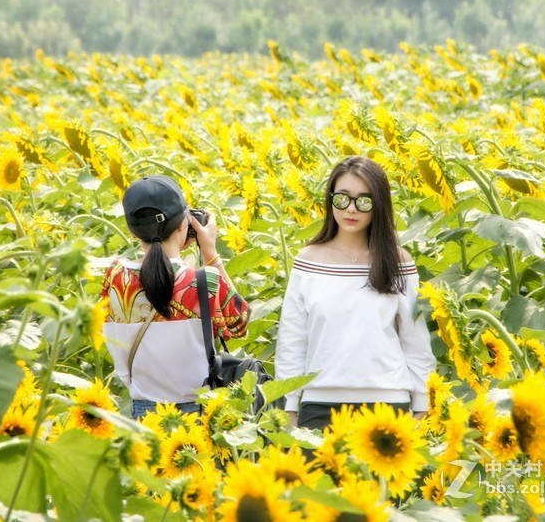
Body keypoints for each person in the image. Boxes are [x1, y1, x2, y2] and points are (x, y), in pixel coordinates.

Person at [275, 156, 436, 430]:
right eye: (342, 198)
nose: (351, 209)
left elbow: (415, 340)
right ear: (330, 199)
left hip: (388, 406)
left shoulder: (398, 261)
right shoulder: (308, 260)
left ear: (379, 205)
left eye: (364, 200)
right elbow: (292, 341)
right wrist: (288, 408)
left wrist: (422, 406)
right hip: (320, 405)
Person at [100, 175, 250, 419]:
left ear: (132, 230)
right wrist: (210, 253)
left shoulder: (115, 277)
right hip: (199, 416)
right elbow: (240, 325)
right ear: (185, 223)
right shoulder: (204, 281)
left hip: (143, 416)